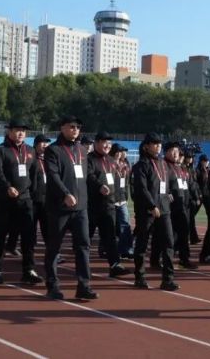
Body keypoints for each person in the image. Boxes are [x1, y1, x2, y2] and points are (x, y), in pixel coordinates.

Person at [43, 116, 97, 300]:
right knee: (54, 247)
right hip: (59, 208)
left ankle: (84, 285)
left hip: (81, 208)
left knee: (83, 245)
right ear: (62, 128)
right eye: (72, 126)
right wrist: (65, 193)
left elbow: (86, 176)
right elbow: (53, 175)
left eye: (78, 127)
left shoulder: (82, 150)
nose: (75, 130)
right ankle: (52, 285)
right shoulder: (53, 150)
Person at [0, 119, 42, 285]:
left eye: (23, 131)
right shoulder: (0, 150)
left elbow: (34, 173)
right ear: (9, 131)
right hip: (5, 200)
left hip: (25, 200)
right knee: (1, 235)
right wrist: (7, 187)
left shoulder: (30, 150)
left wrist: (32, 194)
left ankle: (28, 270)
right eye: (17, 130)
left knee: (28, 236)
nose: (21, 133)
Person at [131, 132, 179, 291]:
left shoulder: (163, 164)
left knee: (168, 243)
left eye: (160, 144)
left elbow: (166, 183)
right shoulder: (141, 166)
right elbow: (141, 188)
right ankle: (139, 277)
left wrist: (168, 195)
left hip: (164, 209)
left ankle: (168, 279)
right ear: (146, 146)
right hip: (147, 211)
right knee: (142, 244)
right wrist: (152, 206)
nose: (158, 146)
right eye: (155, 144)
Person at [87, 131, 130, 277]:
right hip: (92, 205)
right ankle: (82, 265)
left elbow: (116, 182)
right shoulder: (89, 159)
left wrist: (118, 198)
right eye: (104, 142)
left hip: (109, 205)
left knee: (110, 238)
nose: (107, 145)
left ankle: (115, 265)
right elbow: (89, 176)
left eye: (109, 143)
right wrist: (99, 186)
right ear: (96, 143)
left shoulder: (111, 161)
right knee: (86, 238)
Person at [164, 142, 197, 269]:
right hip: (169, 207)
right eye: (173, 151)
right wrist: (166, 193)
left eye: (177, 151)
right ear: (166, 152)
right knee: (168, 235)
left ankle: (184, 259)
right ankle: (160, 258)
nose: (176, 154)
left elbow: (185, 185)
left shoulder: (180, 168)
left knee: (184, 233)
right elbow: (159, 183)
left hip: (182, 205)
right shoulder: (163, 166)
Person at [110, 144, 133, 259]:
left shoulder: (124, 165)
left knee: (125, 224)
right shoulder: (109, 164)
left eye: (121, 151)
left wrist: (126, 197)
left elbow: (126, 183)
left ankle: (126, 249)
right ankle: (105, 248)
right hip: (111, 199)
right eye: (118, 151)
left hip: (122, 199)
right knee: (110, 226)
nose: (120, 154)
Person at [196, 153, 210, 264]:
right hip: (209, 199)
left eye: (207, 160)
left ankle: (207, 253)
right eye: (204, 160)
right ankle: (207, 254)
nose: (206, 162)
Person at [32, 134, 51, 246]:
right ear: (36, 144)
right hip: (33, 198)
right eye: (43, 142)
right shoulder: (30, 158)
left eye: (47, 143)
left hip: (46, 198)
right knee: (31, 227)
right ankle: (29, 250)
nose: (45, 145)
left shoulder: (48, 159)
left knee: (47, 226)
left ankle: (51, 250)